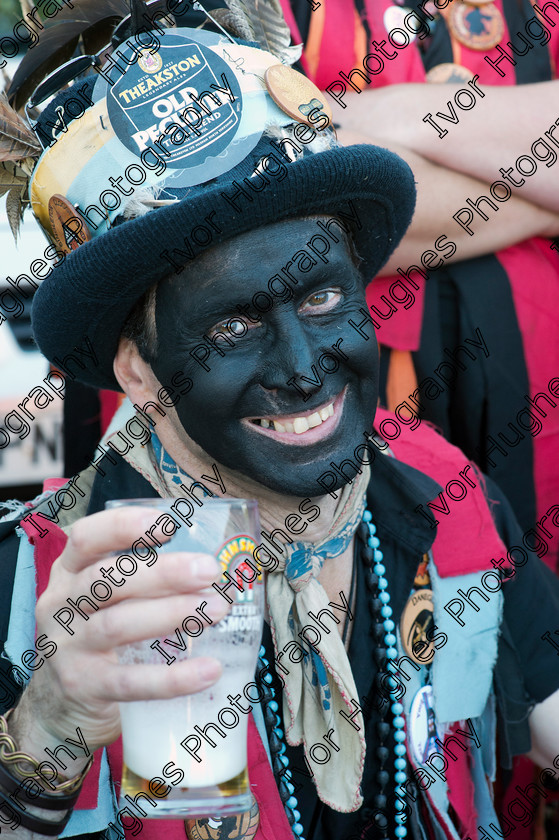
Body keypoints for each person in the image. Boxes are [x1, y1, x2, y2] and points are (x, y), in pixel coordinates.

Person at [0, 15, 558, 840]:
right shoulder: (39, 583)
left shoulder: (438, 490)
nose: (303, 370)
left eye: (324, 296)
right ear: (138, 372)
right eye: (231, 327)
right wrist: (51, 723)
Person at [276, 0, 559, 573]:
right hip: (308, 401)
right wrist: (543, 197)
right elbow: (284, 209)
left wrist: (392, 116)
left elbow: (316, 165)